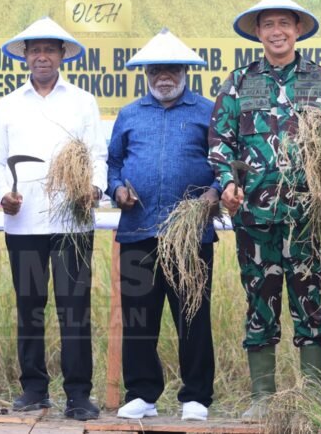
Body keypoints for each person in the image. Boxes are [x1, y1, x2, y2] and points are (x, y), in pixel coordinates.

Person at [208, 0, 321, 419]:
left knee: (310, 301)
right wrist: (229, 183)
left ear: (298, 29)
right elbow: (220, 142)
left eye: (284, 23)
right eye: (268, 24)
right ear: (257, 32)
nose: (276, 31)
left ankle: (315, 399)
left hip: (307, 217)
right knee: (259, 300)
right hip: (255, 217)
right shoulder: (238, 82)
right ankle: (261, 399)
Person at [0, 17, 107, 421]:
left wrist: (93, 189)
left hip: (72, 223)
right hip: (23, 224)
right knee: (29, 307)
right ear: (25, 56)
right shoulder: (8, 104)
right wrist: (3, 194)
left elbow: (98, 155)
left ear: (61, 56)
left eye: (50, 49)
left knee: (74, 309)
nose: (42, 56)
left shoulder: (82, 101)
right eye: (35, 49)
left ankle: (78, 394)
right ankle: (34, 389)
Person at [107, 28, 218, 421]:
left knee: (192, 313)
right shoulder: (130, 114)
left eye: (171, 69)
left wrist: (213, 194)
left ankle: (196, 396)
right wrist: (117, 189)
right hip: (139, 231)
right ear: (147, 74)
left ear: (185, 71)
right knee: (139, 316)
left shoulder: (207, 111)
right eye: (156, 70)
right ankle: (142, 393)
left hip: (189, 235)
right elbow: (114, 164)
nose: (163, 77)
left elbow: (224, 163)